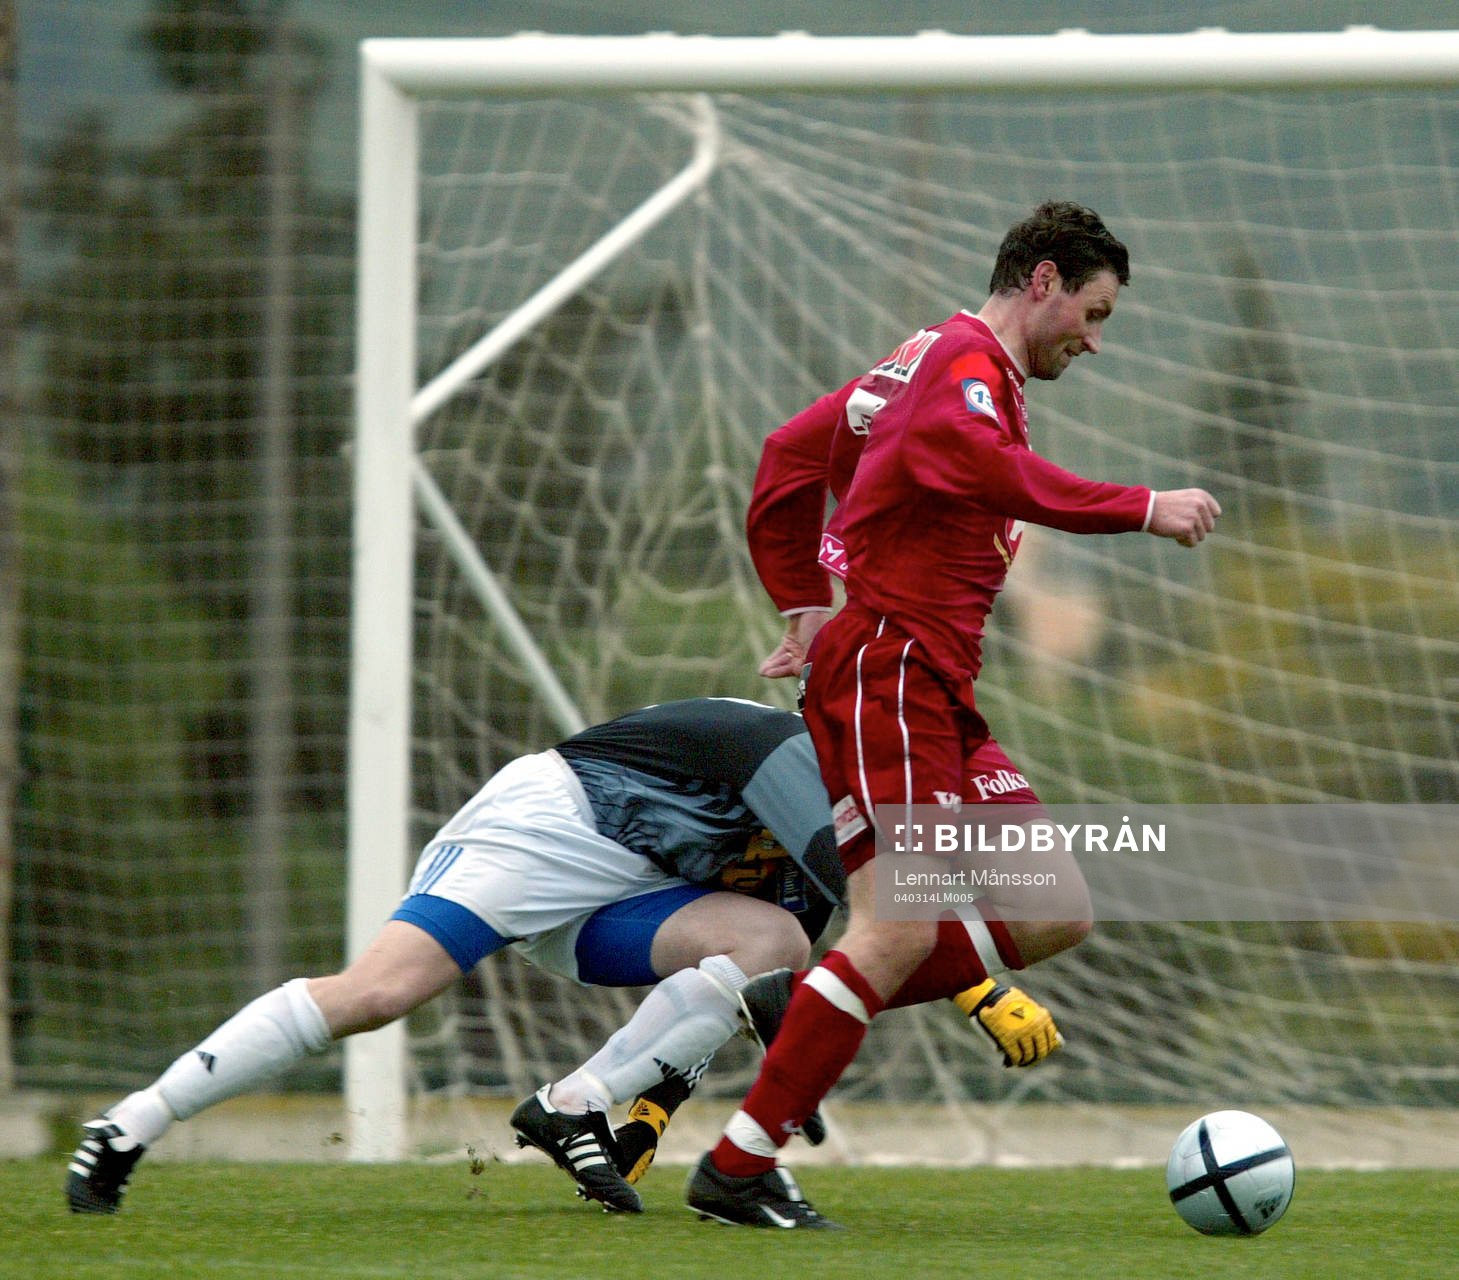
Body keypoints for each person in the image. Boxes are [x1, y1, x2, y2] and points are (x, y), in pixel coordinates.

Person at [687, 200, 1222, 1229]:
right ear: (1042, 281)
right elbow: (976, 466)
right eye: (1093, 311)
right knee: (895, 930)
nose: (1095, 339)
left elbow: (789, 456)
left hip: (925, 683)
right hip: (890, 670)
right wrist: (1140, 504)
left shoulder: (921, 364)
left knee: (1050, 905)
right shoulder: (964, 371)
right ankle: (738, 1166)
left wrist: (802, 600)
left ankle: (798, 1010)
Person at [64, 696, 1052, 1217]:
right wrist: (974, 984)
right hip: (546, 828)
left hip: (627, 905)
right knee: (381, 990)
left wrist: (649, 1107)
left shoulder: (837, 841)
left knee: (774, 940)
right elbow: (880, 936)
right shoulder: (798, 753)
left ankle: (573, 1102)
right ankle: (127, 1123)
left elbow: (749, 983)